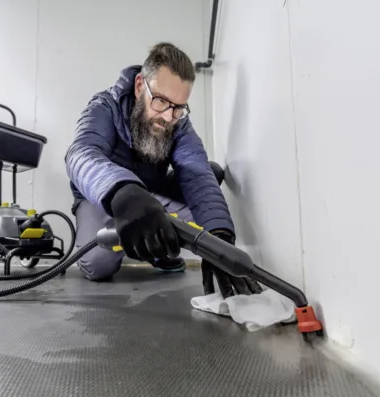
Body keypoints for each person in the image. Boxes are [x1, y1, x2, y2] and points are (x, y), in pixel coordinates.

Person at [64, 42, 262, 298]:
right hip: (104, 198)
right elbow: (81, 153)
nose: (168, 117)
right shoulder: (104, 106)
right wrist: (123, 193)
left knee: (210, 180)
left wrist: (220, 238)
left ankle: (154, 248)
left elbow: (197, 172)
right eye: (160, 101)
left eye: (178, 107)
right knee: (98, 265)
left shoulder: (179, 122)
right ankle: (135, 235)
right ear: (139, 87)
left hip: (150, 197)